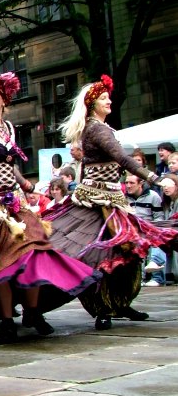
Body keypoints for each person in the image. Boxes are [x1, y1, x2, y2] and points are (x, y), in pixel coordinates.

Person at [0, 72, 99, 342]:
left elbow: (11, 165)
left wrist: (26, 184)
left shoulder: (8, 128)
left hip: (15, 202)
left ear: (3, 101)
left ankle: (33, 311)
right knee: (2, 261)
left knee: (35, 249)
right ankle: (8, 319)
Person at [44, 75, 176, 329]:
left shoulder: (101, 128)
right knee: (102, 254)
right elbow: (122, 159)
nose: (109, 101)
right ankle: (103, 307)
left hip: (114, 199)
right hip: (97, 202)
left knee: (127, 253)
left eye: (108, 97)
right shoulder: (96, 128)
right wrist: (155, 179)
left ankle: (120, 302)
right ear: (92, 104)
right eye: (104, 98)